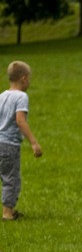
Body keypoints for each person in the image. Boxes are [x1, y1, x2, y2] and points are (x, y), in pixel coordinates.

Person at [0, 61, 43, 221]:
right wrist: (33, 142)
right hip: (9, 145)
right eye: (29, 79)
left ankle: (8, 210)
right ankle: (8, 213)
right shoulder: (21, 97)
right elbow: (20, 121)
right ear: (24, 79)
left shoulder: (2, 96)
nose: (29, 82)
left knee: (5, 176)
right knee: (12, 179)